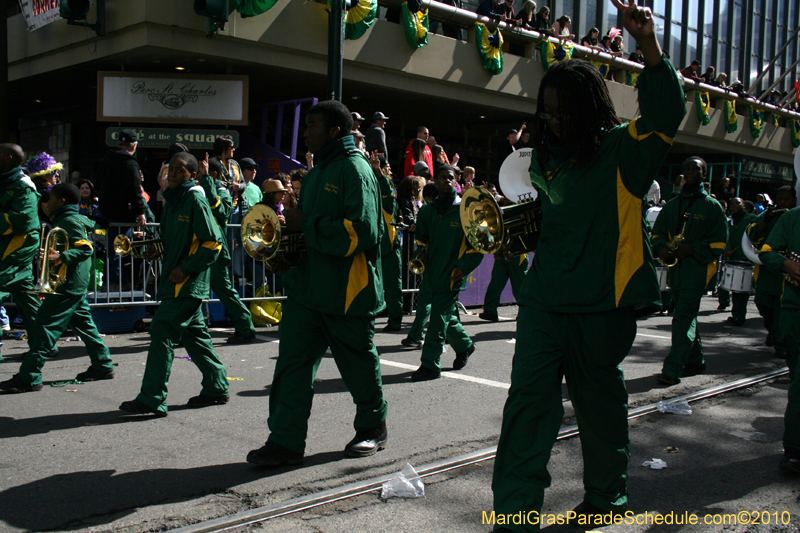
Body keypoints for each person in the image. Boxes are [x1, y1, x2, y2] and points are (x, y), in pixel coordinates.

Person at [491, 0, 686, 528]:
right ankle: (514, 515)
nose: (551, 120)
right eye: (546, 110)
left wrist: (647, 43)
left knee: (599, 412)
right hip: (543, 304)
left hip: (602, 306)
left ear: (589, 109)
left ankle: (605, 501)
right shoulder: (544, 161)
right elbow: (556, 222)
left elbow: (668, 112)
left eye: (562, 111)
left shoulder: (625, 150)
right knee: (527, 410)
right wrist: (518, 236)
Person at [246, 100, 388, 466]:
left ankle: (373, 427)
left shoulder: (355, 169)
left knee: (358, 367)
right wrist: (284, 254)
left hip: (347, 291)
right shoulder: (317, 171)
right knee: (291, 368)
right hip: (307, 290)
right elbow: (306, 232)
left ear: (335, 131)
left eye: (311, 124)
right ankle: (285, 441)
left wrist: (304, 224)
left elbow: (364, 232)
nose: (305, 131)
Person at [119, 153, 228, 417]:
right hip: (174, 280)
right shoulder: (171, 201)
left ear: (192, 175)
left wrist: (185, 268)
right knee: (195, 336)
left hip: (186, 283)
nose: (173, 174)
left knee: (161, 330)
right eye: (171, 170)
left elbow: (213, 243)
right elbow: (172, 241)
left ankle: (152, 397)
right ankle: (217, 385)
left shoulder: (194, 199)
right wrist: (153, 247)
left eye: (180, 171)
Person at [1, 183, 114, 393]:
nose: (46, 203)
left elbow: (86, 248)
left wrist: (61, 256)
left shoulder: (68, 220)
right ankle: (102, 364)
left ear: (61, 201)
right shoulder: (67, 219)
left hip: (67, 284)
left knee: (44, 327)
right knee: (86, 326)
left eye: (50, 199)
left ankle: (29, 376)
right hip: (74, 284)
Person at [653, 157, 728, 387]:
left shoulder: (712, 206)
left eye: (696, 168)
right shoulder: (673, 204)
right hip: (676, 272)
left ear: (704, 174)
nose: (690, 171)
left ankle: (672, 369)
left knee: (683, 318)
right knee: (687, 316)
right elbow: (656, 234)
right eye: (686, 168)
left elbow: (719, 244)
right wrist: (662, 249)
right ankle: (696, 360)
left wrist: (692, 249)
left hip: (696, 272)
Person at [408, 165, 483, 381]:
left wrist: (464, 266)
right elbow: (421, 240)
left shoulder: (466, 211)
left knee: (438, 318)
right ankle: (465, 346)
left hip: (453, 275)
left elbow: (477, 244)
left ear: (457, 179)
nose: (447, 181)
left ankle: (430, 365)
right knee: (447, 316)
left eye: (451, 178)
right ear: (436, 180)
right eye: (442, 178)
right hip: (431, 273)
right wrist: (420, 254)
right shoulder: (426, 211)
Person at [758, 204, 800, 474]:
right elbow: (766, 252)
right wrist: (788, 265)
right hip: (795, 311)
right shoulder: (792, 218)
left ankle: (794, 449)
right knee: (797, 378)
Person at [199, 155, 257, 345]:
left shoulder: (222, 193)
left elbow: (221, 212)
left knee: (224, 290)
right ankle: (192, 330)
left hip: (216, 252)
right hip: (200, 250)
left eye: (202, 173)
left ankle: (245, 326)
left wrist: (207, 180)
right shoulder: (199, 190)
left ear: (212, 175)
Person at [0, 144, 47, 364]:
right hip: (8, 245)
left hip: (18, 246)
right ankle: (44, 345)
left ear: (9, 158)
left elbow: (24, 221)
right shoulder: (5, 180)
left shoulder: (22, 186)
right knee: (27, 299)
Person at [94, 129, 148, 289]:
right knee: (119, 250)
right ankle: (116, 284)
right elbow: (135, 191)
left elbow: (97, 183)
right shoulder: (130, 163)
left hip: (107, 213)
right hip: (123, 215)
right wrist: (140, 212)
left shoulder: (107, 160)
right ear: (134, 145)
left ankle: (116, 283)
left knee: (114, 250)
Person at [748, 186, 796, 357]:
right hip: (767, 270)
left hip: (787, 273)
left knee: (782, 311)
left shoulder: (795, 218)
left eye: (787, 199)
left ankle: (781, 344)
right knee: (763, 305)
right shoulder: (769, 215)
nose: (782, 202)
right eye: (780, 198)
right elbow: (752, 235)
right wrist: (766, 220)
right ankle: (773, 332)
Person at [371, 152, 404, 333]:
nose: (390, 169)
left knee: (393, 286)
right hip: (372, 245)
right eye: (387, 167)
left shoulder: (387, 186)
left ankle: (395, 320)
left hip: (389, 247)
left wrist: (378, 172)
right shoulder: (370, 184)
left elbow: (390, 207)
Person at [716, 197, 757, 324]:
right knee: (732, 286)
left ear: (743, 205)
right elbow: (724, 236)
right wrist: (727, 249)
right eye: (732, 204)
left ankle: (739, 316)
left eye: (737, 203)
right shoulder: (728, 221)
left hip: (745, 257)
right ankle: (733, 311)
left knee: (742, 288)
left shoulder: (751, 219)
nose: (734, 206)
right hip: (731, 257)